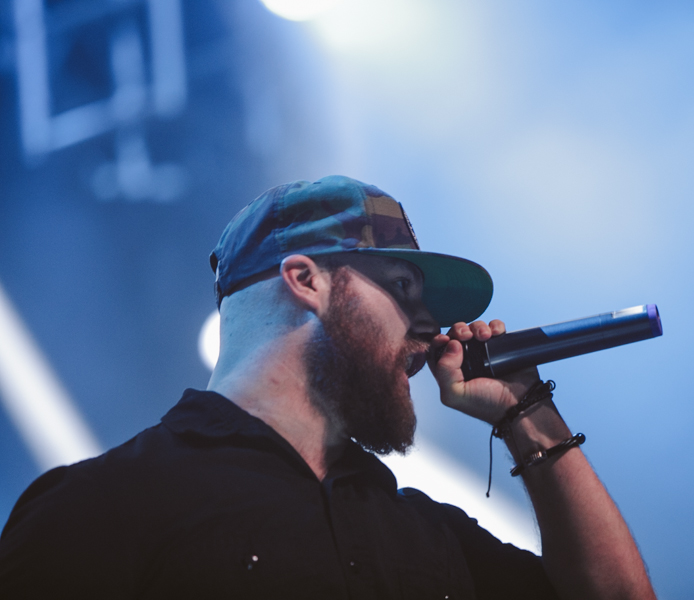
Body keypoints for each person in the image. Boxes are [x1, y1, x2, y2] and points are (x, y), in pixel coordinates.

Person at [0, 175, 656, 599]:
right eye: (403, 289)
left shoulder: (426, 534)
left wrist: (526, 412)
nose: (429, 328)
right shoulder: (106, 504)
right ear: (307, 281)